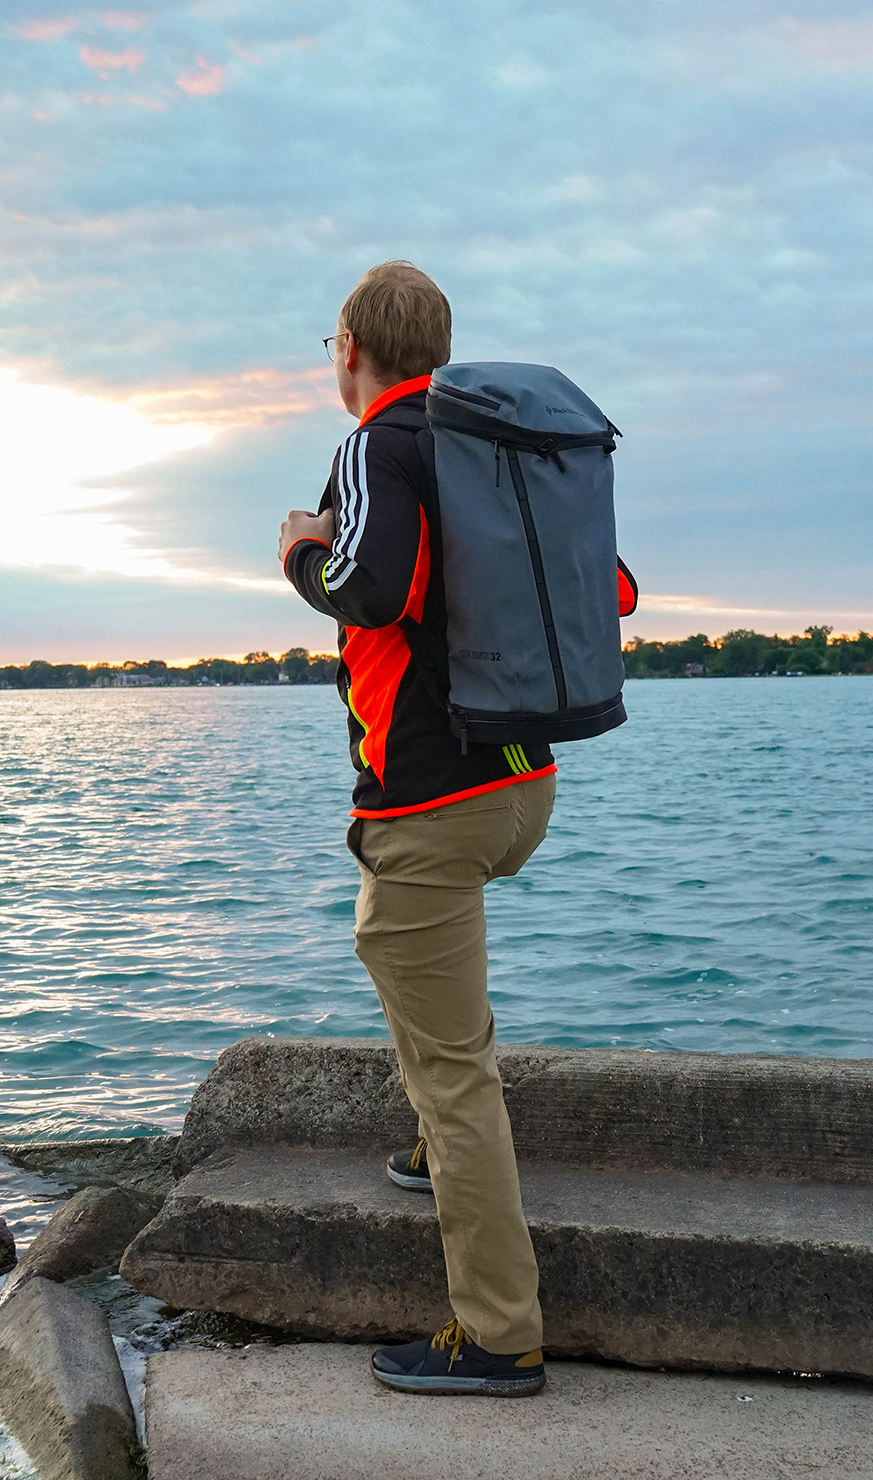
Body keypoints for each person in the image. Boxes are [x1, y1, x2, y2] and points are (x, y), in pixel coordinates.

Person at [277, 261, 553, 1398]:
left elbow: (373, 589)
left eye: (333, 346)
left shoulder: (377, 443)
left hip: (433, 800)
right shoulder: (489, 450)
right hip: (522, 776)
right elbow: (610, 589)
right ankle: (430, 1148)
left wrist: (302, 550)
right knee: (435, 996)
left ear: (352, 349)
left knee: (451, 1067)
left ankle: (499, 1335)